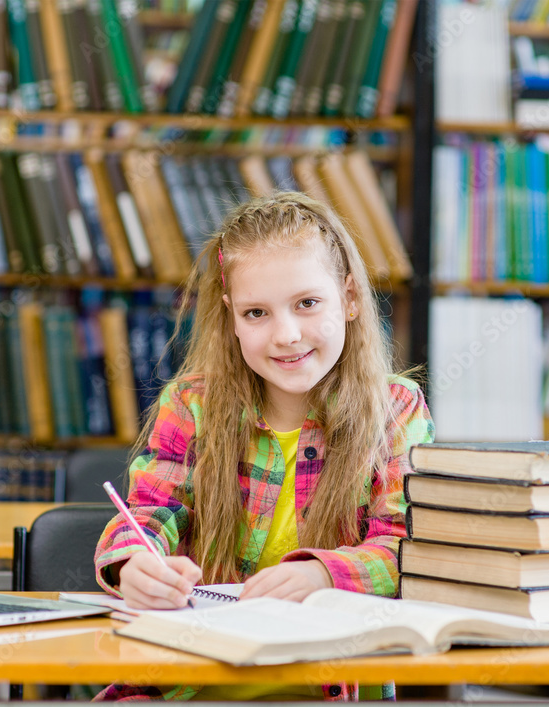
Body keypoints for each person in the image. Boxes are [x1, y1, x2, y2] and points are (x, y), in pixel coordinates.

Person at [93, 192, 435, 701]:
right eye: (257, 313)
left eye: (307, 303)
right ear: (231, 317)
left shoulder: (395, 409)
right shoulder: (190, 405)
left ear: (350, 299)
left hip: (324, 688)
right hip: (187, 685)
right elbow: (148, 512)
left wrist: (324, 573)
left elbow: (408, 546)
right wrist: (135, 565)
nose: (286, 334)